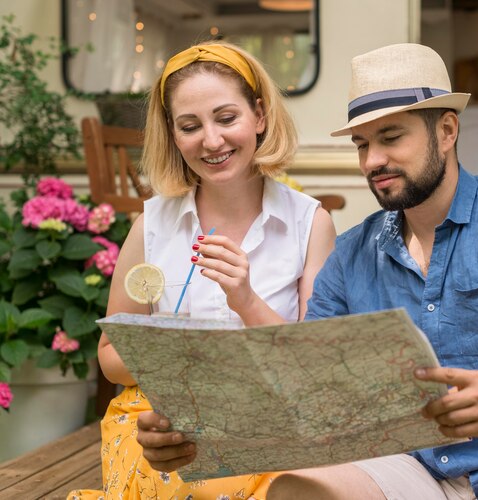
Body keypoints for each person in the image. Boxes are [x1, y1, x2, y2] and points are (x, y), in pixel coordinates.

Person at [135, 43, 478, 500]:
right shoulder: (350, 255)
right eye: (363, 144)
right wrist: (196, 435)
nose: (373, 161)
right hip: (407, 465)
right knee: (295, 491)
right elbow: (303, 382)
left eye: (391, 137)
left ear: (447, 131)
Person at [67, 40, 336, 500]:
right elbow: (110, 359)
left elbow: (310, 370)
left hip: (270, 418)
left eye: (227, 118)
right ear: (173, 134)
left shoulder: (310, 223)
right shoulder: (152, 225)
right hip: (163, 419)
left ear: (260, 115)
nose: (211, 141)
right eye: (190, 126)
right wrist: (164, 350)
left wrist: (246, 301)